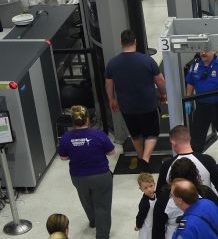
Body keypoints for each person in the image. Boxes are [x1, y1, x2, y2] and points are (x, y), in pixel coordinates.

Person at [105, 29, 167, 172]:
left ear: (121, 42)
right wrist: (163, 94)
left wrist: (112, 100)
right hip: (148, 104)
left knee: (135, 133)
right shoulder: (147, 60)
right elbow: (160, 80)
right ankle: (145, 160)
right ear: (135, 42)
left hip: (127, 106)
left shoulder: (113, 63)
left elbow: (108, 83)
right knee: (151, 133)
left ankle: (140, 157)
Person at [58, 105, 115, 239]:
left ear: (73, 121)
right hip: (101, 176)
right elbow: (112, 152)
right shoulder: (99, 135)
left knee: (86, 200)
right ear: (88, 120)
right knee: (102, 205)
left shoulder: (66, 137)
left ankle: (93, 221)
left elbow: (63, 157)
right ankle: (102, 235)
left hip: (78, 177)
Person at [152, 158, 218, 239]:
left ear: (172, 176)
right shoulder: (206, 193)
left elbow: (157, 232)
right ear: (195, 175)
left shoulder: (163, 199)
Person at [135, 173, 157, 239]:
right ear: (141, 189)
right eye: (145, 188)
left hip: (154, 225)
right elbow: (140, 216)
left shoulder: (157, 195)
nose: (149, 189)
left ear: (154, 184)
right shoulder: (144, 203)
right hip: (147, 228)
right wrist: (138, 226)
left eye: (151, 186)